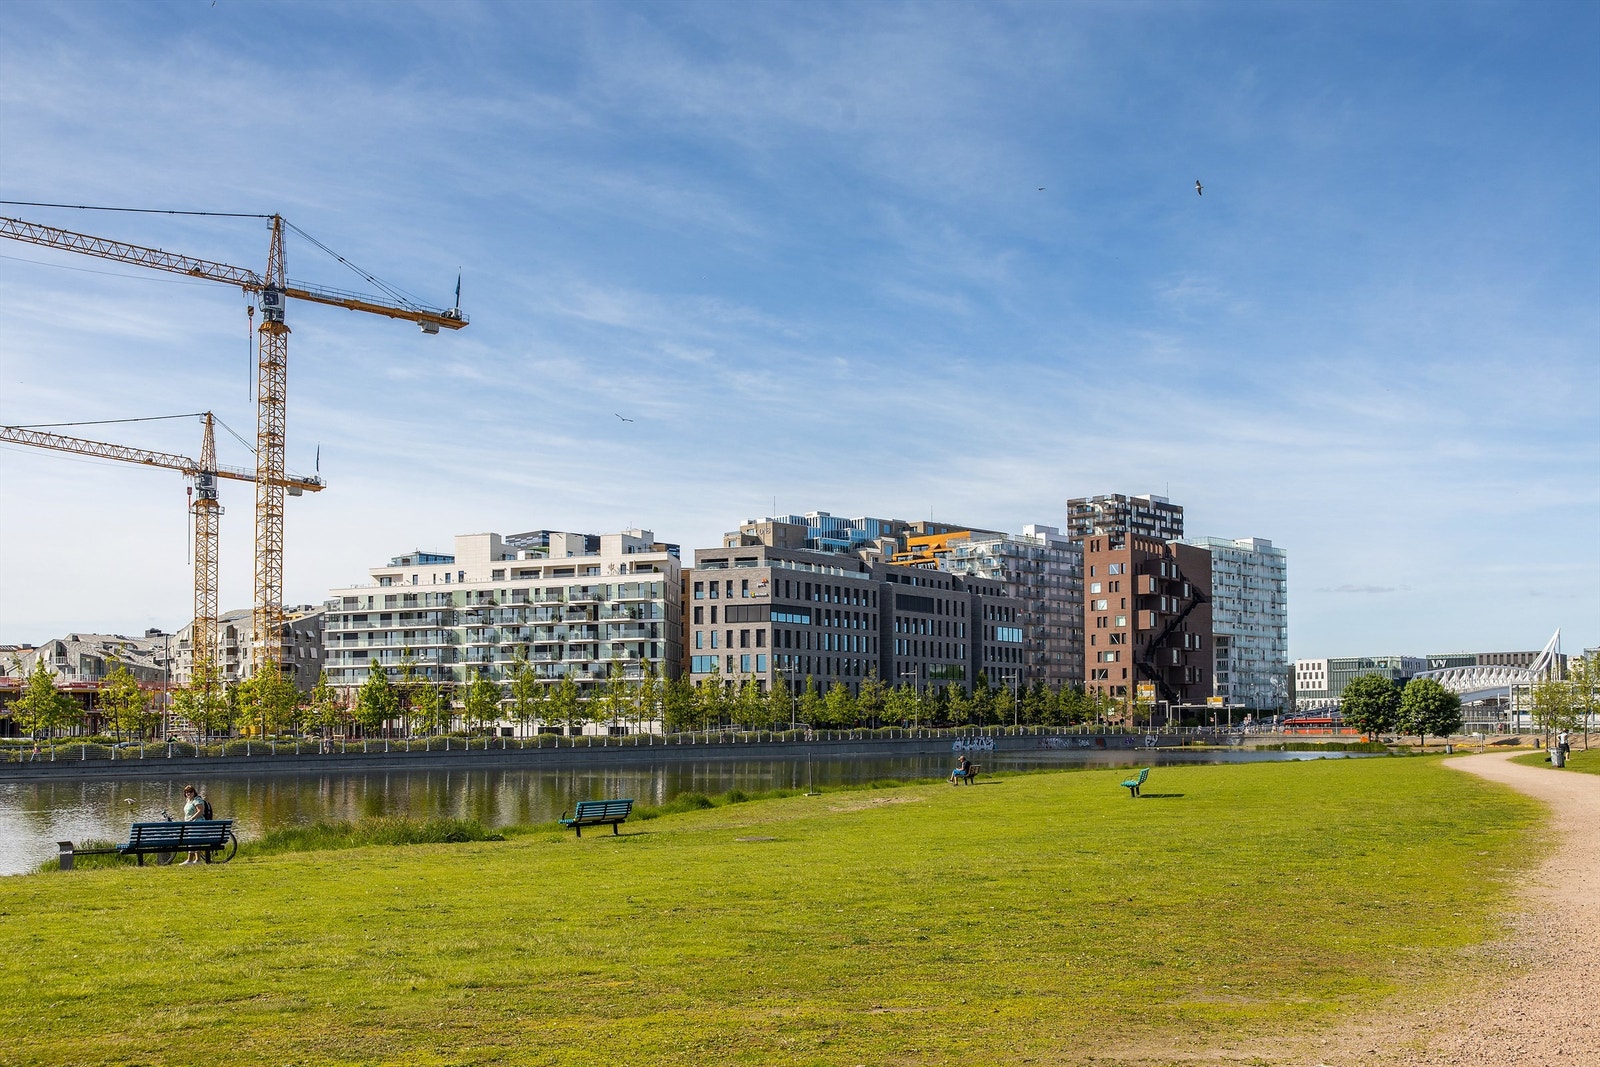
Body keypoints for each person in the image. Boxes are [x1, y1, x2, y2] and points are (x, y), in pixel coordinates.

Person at [181, 784, 205, 865]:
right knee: (195, 840)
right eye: (186, 792)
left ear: (194, 792)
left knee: (192, 840)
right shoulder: (188, 801)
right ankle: (198, 860)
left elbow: (200, 811)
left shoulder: (197, 800)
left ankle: (189, 860)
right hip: (190, 825)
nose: (188, 793)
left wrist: (191, 819)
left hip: (197, 824)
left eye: (190, 791)